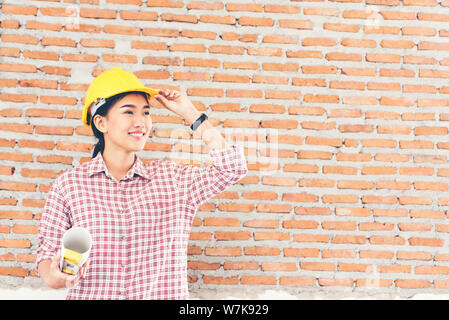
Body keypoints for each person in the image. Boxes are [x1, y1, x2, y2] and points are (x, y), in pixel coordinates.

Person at [35, 66, 248, 299]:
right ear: (101, 122)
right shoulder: (69, 186)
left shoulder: (173, 181)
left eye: (146, 113)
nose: (141, 122)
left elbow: (232, 168)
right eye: (129, 112)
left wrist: (192, 115)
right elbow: (47, 259)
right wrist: (57, 277)